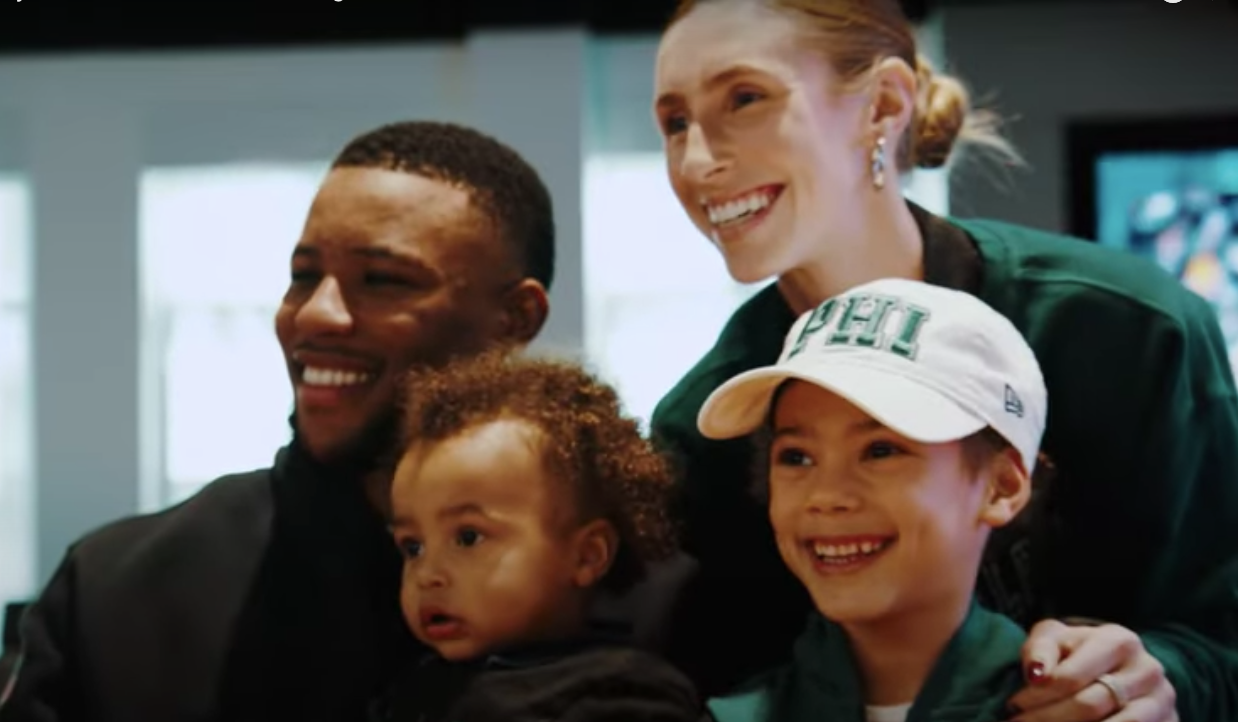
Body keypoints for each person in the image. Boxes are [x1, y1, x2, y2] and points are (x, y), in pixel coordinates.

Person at [647, 1, 1238, 720]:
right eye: (675, 123)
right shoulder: (703, 428)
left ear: (884, 104)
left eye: (745, 99)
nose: (698, 162)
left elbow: (1218, 631)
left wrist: (1163, 674)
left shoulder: (1131, 329)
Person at [0, 120, 557, 722]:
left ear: (514, 319)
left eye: (383, 281)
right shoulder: (113, 597)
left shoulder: (619, 586)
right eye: (305, 276)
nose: (316, 315)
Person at [699, 278, 1050, 722]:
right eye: (796, 457)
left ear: (1002, 486)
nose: (826, 496)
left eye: (881, 451)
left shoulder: (1083, 709)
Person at [368, 350, 705, 722]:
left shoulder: (620, 692)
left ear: (587, 556)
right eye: (412, 547)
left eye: (467, 538)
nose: (428, 574)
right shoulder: (417, 688)